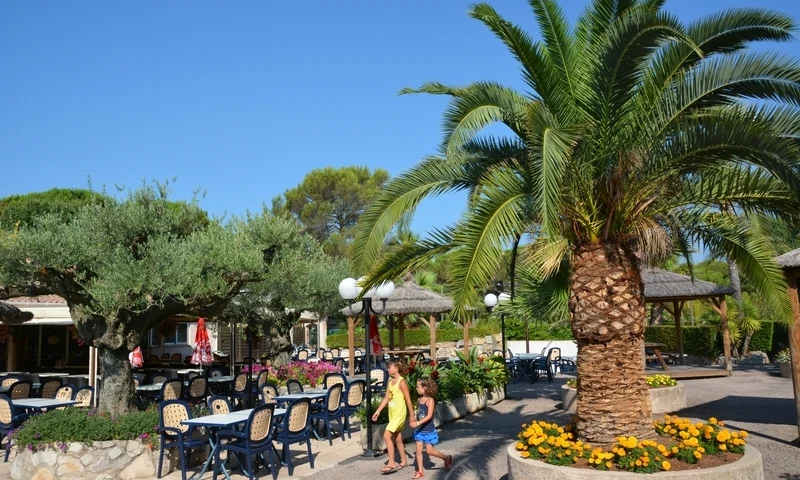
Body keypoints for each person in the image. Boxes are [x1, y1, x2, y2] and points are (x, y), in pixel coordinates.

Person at [372, 360, 414, 473]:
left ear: (396, 368)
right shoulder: (390, 381)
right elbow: (386, 398)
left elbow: (408, 400)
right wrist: (378, 411)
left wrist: (412, 416)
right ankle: (404, 461)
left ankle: (391, 462)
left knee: (386, 436)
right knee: (398, 438)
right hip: (392, 413)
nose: (388, 369)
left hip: (400, 413)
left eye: (389, 367)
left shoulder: (402, 382)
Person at [410, 377, 453, 478]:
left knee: (429, 451)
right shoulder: (419, 400)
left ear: (424, 387)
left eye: (417, 386)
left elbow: (429, 416)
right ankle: (420, 471)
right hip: (419, 430)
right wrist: (413, 420)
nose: (416, 388)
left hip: (428, 430)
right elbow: (419, 413)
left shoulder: (430, 400)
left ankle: (446, 458)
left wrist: (417, 423)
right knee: (419, 449)